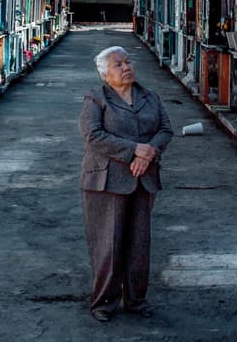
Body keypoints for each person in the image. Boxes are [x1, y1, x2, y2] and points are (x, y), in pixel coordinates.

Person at [79, 46, 174, 322]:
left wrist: (148, 153)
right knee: (107, 243)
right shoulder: (96, 99)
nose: (126, 67)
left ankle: (136, 300)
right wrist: (135, 149)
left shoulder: (149, 97)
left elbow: (165, 130)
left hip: (142, 177)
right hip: (105, 180)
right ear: (105, 75)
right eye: (118, 64)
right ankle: (104, 302)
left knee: (139, 243)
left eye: (128, 61)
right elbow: (93, 136)